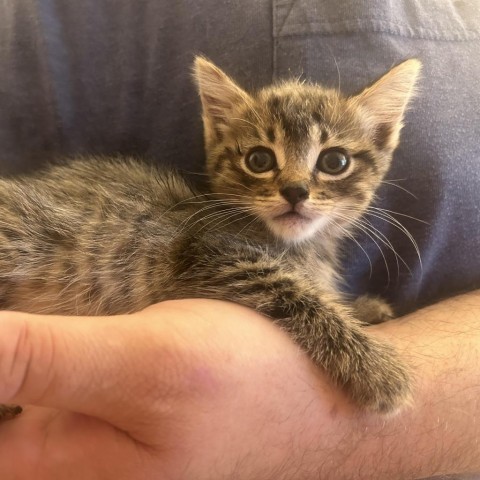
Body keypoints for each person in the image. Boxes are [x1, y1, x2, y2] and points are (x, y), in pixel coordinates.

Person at [0, 0, 478, 478]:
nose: (295, 186)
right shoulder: (221, 229)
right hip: (42, 239)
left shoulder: (312, 257)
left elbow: (258, 311)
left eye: (332, 162)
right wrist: (343, 337)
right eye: (259, 159)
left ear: (380, 137)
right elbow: (223, 269)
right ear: (219, 134)